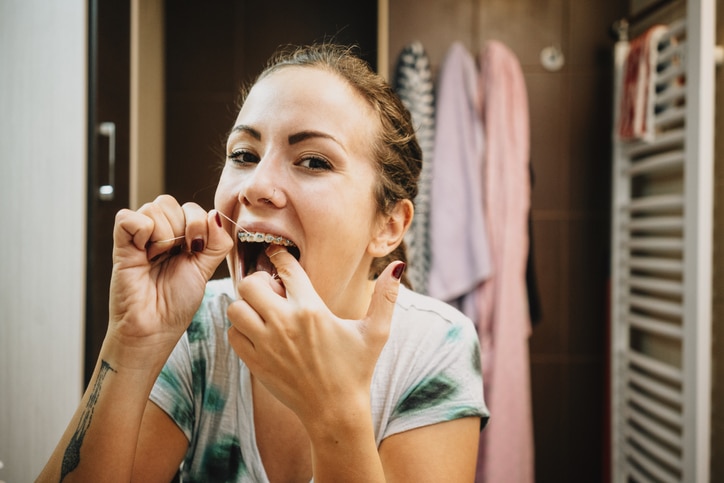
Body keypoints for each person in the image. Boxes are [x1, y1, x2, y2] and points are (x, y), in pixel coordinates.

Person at [38, 43, 488, 482]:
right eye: (244, 155)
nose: (256, 185)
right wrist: (133, 343)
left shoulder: (433, 345)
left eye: (313, 161)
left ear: (388, 225)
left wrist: (333, 412)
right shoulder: (195, 330)